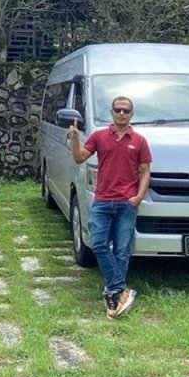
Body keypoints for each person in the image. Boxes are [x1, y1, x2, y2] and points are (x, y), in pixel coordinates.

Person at [68, 95, 151, 319]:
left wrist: (139, 196)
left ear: (131, 114)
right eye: (118, 110)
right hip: (103, 200)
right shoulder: (99, 136)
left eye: (126, 111)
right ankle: (119, 289)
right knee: (99, 244)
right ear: (112, 112)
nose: (121, 114)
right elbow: (79, 158)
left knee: (122, 251)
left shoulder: (140, 141)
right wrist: (75, 139)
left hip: (127, 202)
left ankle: (114, 297)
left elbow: (145, 172)